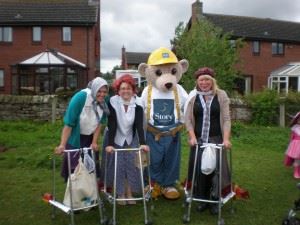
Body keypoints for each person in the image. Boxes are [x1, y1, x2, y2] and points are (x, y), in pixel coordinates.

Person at [184, 67, 231, 215]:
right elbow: (188, 119)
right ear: (197, 81)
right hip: (198, 141)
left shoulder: (221, 95)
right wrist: (192, 136)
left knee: (217, 171)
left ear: (212, 81)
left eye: (207, 79)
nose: (204, 82)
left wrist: (226, 139)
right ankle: (202, 199)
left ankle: (216, 199)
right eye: (201, 80)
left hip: (216, 139)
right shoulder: (193, 97)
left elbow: (226, 118)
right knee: (200, 170)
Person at [105, 74, 149, 205]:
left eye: (128, 88)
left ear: (133, 90)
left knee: (131, 166)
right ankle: (120, 193)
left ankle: (129, 193)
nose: (126, 91)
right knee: (118, 166)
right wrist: (110, 144)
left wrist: (142, 143)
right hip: (114, 137)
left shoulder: (138, 104)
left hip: (131, 137)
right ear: (118, 91)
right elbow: (112, 124)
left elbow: (139, 126)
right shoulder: (113, 102)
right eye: (123, 88)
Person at [55, 77, 109, 182]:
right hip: (76, 136)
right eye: (99, 91)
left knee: (90, 166)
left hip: (90, 136)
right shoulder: (80, 98)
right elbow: (69, 124)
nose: (102, 94)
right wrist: (62, 145)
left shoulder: (104, 100)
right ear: (93, 89)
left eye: (104, 92)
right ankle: (73, 192)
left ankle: (90, 193)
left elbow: (100, 123)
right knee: (74, 166)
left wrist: (94, 142)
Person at [284, 112, 300, 179]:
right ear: (297, 120)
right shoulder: (295, 128)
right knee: (298, 160)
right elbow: (292, 137)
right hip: (296, 146)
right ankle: (296, 172)